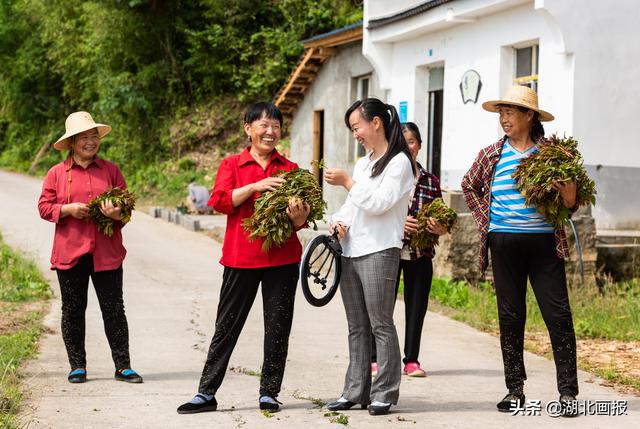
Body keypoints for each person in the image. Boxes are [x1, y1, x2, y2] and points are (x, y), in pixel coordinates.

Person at [177, 102, 310, 414]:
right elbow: (219, 201)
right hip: (241, 258)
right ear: (248, 128)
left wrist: (299, 217)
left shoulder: (290, 170)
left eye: (276, 126)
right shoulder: (232, 165)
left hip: (283, 260)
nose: (270, 131)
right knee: (226, 326)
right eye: (263, 125)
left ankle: (269, 393)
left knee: (278, 328)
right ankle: (206, 393)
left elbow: (302, 220)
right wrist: (255, 186)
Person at [461, 85, 579, 416]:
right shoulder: (491, 154)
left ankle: (568, 392)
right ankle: (515, 390)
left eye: (510, 112)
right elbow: (470, 184)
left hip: (544, 245)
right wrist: (487, 218)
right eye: (501, 112)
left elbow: (571, 205)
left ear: (530, 116)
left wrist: (569, 196)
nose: (504, 118)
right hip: (503, 244)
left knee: (558, 315)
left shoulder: (552, 156)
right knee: (511, 318)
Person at [324, 98, 415, 416]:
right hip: (352, 250)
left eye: (356, 127)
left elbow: (379, 203)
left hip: (380, 250)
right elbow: (354, 206)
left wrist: (348, 183)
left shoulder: (400, 163)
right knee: (356, 326)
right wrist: (338, 221)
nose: (355, 134)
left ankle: (385, 392)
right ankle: (354, 391)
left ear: (376, 122)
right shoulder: (364, 163)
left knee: (380, 324)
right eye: (351, 129)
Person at [38, 111, 143, 384]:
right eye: (84, 137)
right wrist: (67, 209)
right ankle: (77, 366)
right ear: (72, 142)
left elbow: (127, 211)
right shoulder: (56, 174)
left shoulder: (111, 171)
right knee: (73, 310)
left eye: (94, 136)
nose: (90, 142)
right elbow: (44, 207)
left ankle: (123, 366)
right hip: (70, 253)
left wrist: (115, 213)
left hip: (106, 253)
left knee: (114, 309)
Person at [370, 122, 447, 379]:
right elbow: (373, 209)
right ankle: (375, 358)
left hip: (419, 254)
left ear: (419, 146)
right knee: (382, 307)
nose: (407, 147)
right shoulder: (385, 175)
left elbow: (443, 220)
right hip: (388, 250)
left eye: (412, 142)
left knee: (416, 307)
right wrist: (398, 222)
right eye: (402, 142)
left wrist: (438, 227)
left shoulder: (430, 180)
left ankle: (411, 360)